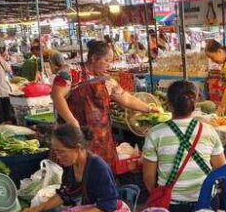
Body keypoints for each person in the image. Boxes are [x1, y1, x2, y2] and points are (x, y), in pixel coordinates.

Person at [51, 40, 158, 168]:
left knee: (101, 172)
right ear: (94, 58)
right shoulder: (71, 72)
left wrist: (148, 108)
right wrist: (72, 122)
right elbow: (57, 96)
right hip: (74, 137)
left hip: (101, 139)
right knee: (77, 173)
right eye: (106, 60)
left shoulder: (107, 80)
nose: (109, 64)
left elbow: (126, 98)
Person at [142, 81, 226, 212]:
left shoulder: (155, 133)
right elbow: (221, 169)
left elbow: (148, 177)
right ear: (195, 104)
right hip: (206, 203)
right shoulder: (209, 131)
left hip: (171, 205)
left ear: (168, 104)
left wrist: (159, 194)